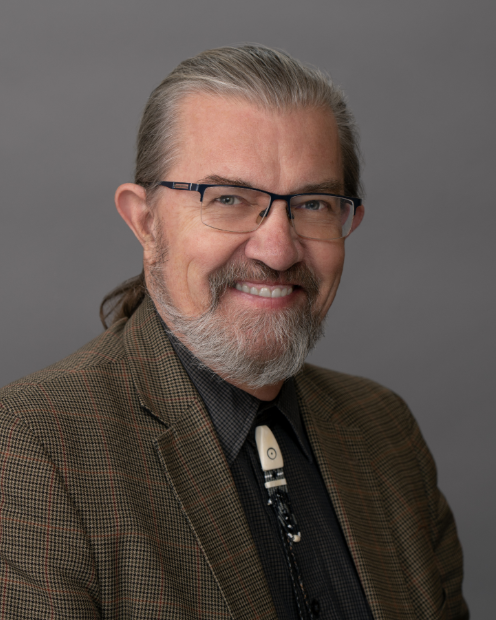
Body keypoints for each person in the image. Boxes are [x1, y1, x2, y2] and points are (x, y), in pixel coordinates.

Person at [0, 45, 468, 619]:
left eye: (313, 204)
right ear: (145, 221)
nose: (277, 250)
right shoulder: (31, 449)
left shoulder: (385, 431)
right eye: (227, 199)